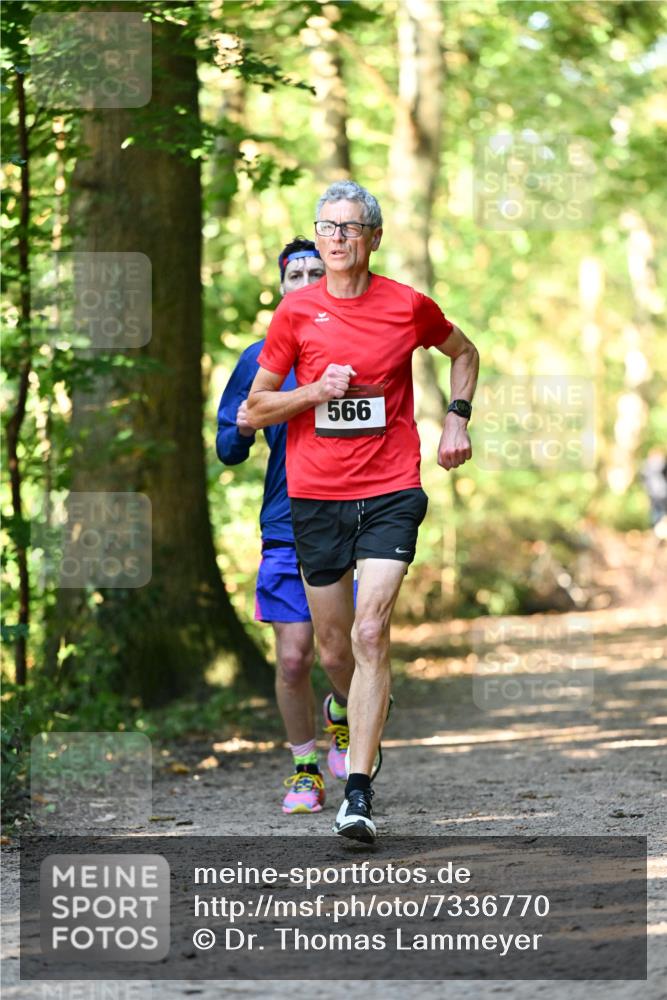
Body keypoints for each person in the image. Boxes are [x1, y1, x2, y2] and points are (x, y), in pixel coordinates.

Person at [246, 181, 480, 843]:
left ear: (373, 237)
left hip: (389, 489)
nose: (339, 238)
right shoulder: (295, 316)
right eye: (328, 227)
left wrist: (455, 423)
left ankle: (357, 791)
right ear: (318, 238)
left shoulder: (407, 306)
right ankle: (357, 705)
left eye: (351, 227)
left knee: (371, 633)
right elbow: (255, 409)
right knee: (333, 647)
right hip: (315, 497)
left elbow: (464, 351)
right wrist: (316, 390)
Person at [216, 237, 354, 815]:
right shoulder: (259, 359)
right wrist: (246, 427)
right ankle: (305, 770)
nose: (304, 281)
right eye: (294, 274)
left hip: (348, 515)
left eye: (314, 272)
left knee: (340, 651)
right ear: (281, 288)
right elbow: (227, 446)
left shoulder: (356, 347)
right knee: (294, 657)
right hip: (284, 519)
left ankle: (345, 715)